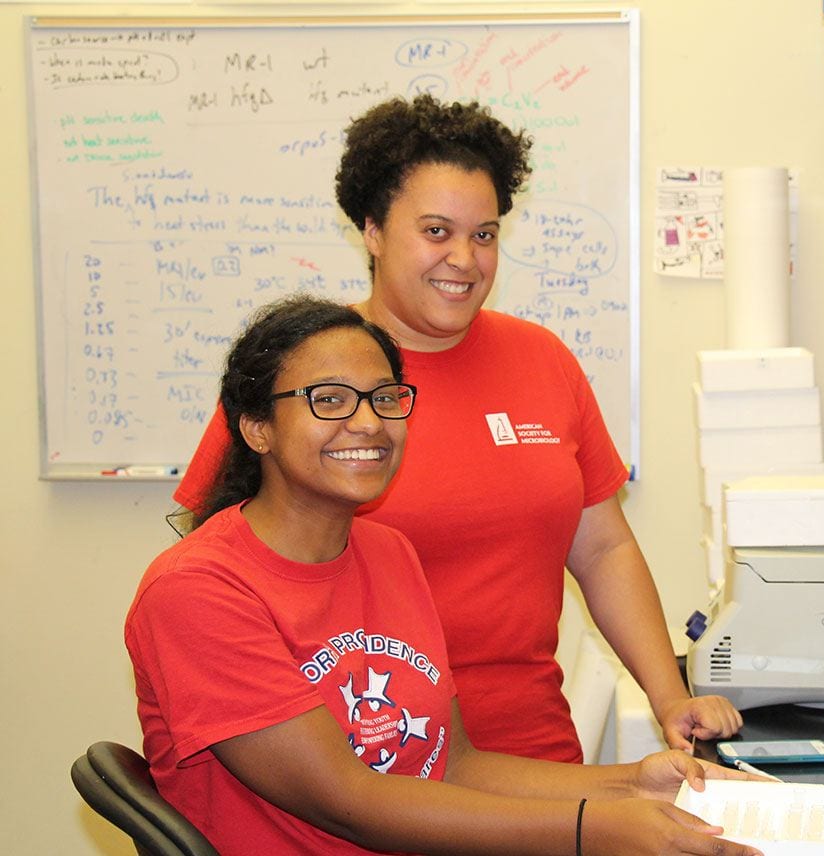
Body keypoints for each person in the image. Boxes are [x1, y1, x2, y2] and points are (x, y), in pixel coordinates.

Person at [173, 94, 743, 762]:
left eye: (485, 234)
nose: (466, 261)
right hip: (363, 755)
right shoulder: (305, 373)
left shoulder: (543, 360)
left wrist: (670, 699)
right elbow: (219, 565)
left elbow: (603, 549)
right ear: (373, 231)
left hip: (532, 752)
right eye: (437, 231)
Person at [127, 295, 762, 856]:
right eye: (329, 400)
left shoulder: (388, 553)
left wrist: (634, 782)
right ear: (256, 427)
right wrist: (596, 829)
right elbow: (349, 802)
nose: (369, 422)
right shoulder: (197, 591)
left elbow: (452, 766)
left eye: (384, 397)